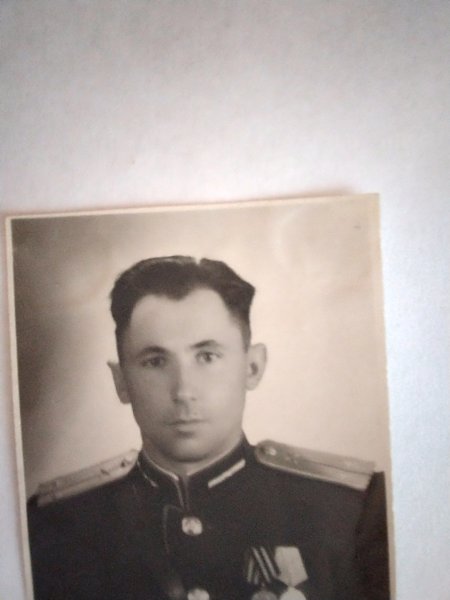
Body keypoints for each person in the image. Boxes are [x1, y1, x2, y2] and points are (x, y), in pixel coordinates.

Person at [27, 256, 390, 600]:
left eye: (207, 357)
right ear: (121, 381)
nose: (183, 391)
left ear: (252, 367)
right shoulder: (55, 524)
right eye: (155, 362)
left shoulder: (353, 507)